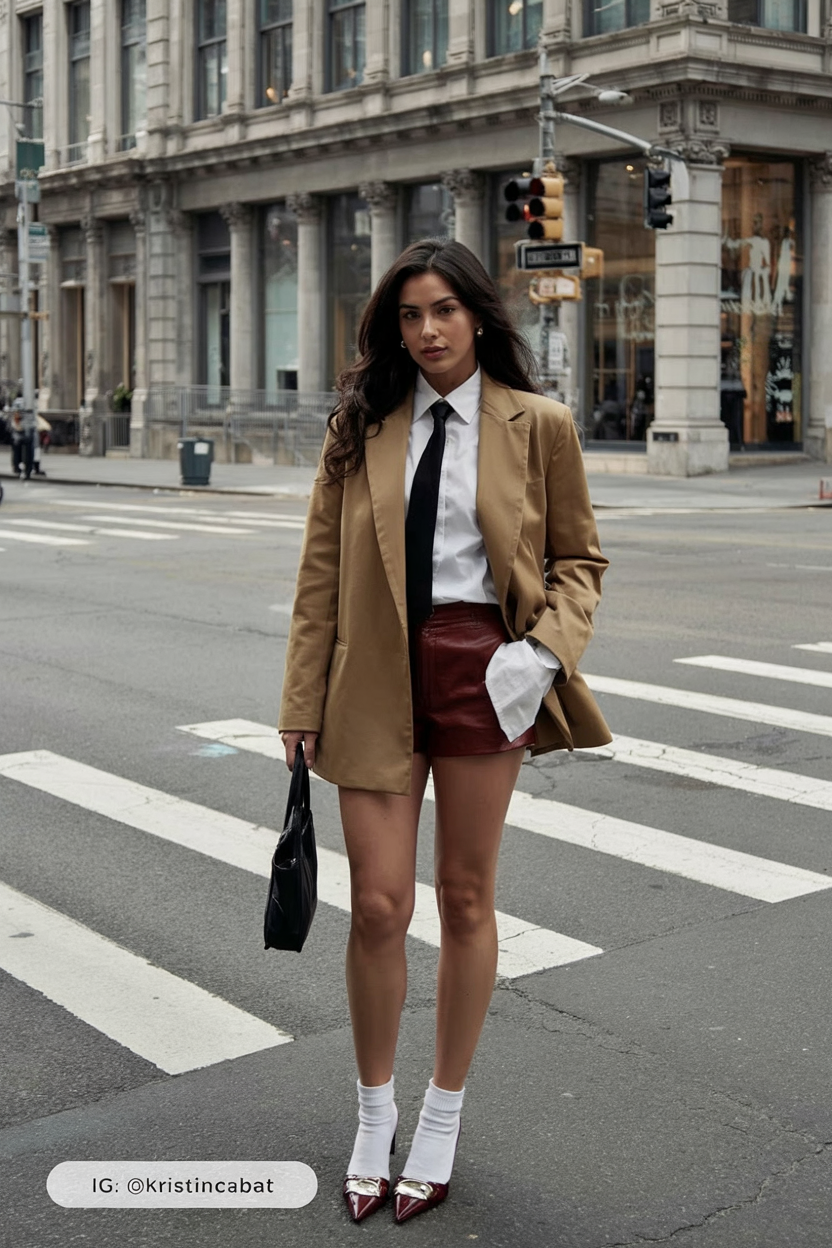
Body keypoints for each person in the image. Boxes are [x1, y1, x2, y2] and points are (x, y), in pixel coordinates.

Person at [278, 238, 611, 1225]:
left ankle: (441, 1117)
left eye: (443, 311)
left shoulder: (538, 424)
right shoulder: (361, 426)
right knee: (378, 906)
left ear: (477, 315)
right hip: (373, 672)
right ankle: (372, 1114)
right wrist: (300, 702)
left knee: (465, 898)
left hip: (485, 672)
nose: (426, 331)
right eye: (409, 315)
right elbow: (319, 576)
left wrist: (539, 657)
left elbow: (579, 562)